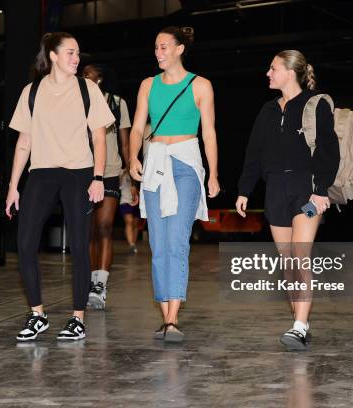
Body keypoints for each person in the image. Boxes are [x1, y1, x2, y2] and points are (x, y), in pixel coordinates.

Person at [6, 32, 115, 342]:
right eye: (69, 53)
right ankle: (37, 314)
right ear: (52, 55)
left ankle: (77, 318)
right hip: (40, 174)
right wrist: (14, 186)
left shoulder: (88, 89)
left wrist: (97, 177)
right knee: (25, 244)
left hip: (79, 174)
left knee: (80, 246)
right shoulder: (32, 91)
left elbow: (98, 136)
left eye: (77, 53)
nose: (76, 58)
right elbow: (23, 143)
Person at [236, 50, 340, 351]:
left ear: (290, 72)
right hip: (275, 191)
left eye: (273, 69)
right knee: (287, 262)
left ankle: (298, 325)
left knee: (299, 255)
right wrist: (244, 189)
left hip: (306, 190)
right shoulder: (267, 110)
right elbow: (253, 153)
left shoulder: (316, 104)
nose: (268, 74)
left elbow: (328, 150)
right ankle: (301, 322)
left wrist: (320, 191)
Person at [129, 26, 220, 343]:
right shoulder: (147, 85)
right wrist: (132, 158)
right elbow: (138, 126)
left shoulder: (201, 85)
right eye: (156, 47)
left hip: (185, 163)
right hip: (155, 162)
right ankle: (166, 313)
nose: (158, 52)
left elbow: (209, 132)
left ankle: (172, 319)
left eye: (164, 47)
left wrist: (214, 173)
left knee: (177, 240)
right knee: (158, 243)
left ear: (180, 49)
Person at [82, 64, 133, 310]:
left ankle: (100, 284)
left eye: (88, 74)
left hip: (110, 171)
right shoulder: (75, 102)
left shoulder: (116, 103)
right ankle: (91, 280)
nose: (84, 78)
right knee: (89, 230)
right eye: (82, 75)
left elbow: (125, 144)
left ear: (99, 79)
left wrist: (131, 178)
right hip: (80, 172)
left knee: (103, 227)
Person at [119, 169, 140, 254]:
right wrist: (123, 173)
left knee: (135, 224)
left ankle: (133, 244)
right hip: (125, 201)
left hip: (136, 201)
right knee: (129, 222)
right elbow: (118, 185)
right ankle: (131, 244)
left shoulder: (137, 171)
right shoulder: (122, 172)